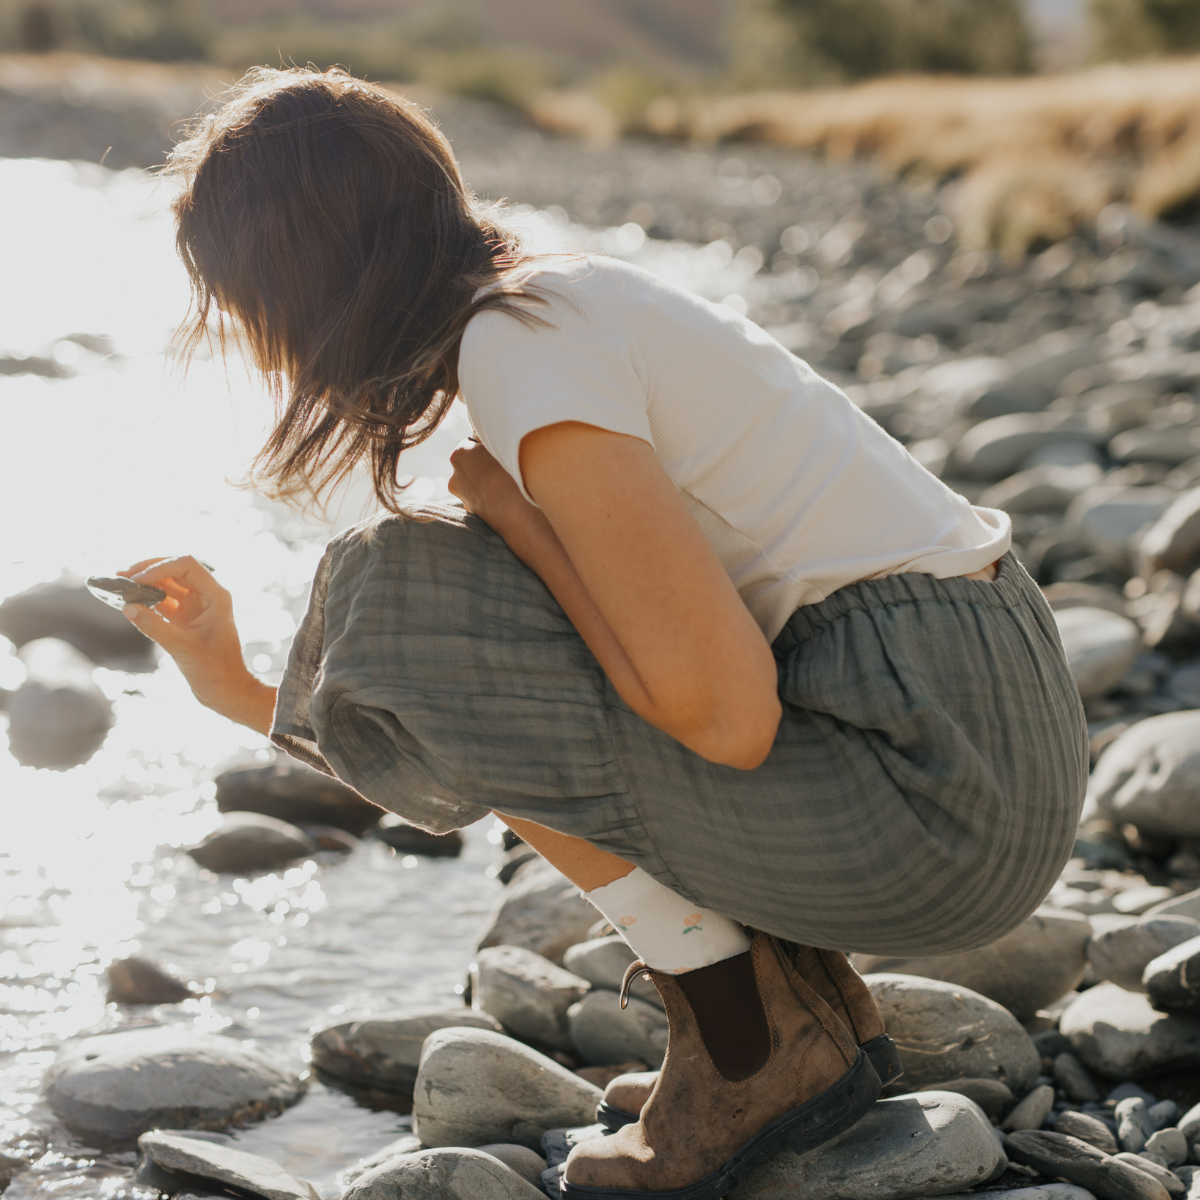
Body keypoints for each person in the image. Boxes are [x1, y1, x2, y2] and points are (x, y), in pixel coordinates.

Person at [122, 67, 1088, 1200]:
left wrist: (526, 529)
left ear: (307, 281)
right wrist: (231, 682)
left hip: (938, 793)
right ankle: (786, 1014)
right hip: (959, 731)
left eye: (248, 307)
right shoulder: (552, 306)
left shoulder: (526, 349)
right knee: (440, 594)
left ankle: (748, 1042)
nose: (260, 344)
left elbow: (724, 718)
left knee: (403, 590)